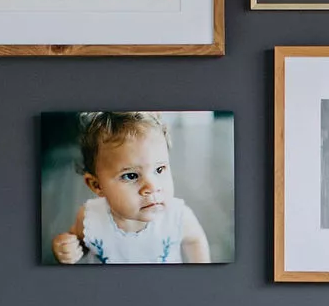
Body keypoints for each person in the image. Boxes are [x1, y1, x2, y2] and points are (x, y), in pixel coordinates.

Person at [52, 112, 210, 264]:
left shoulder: (177, 217)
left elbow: (194, 240)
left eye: (159, 169)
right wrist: (66, 247)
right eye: (131, 176)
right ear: (97, 185)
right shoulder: (89, 218)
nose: (152, 187)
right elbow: (80, 241)